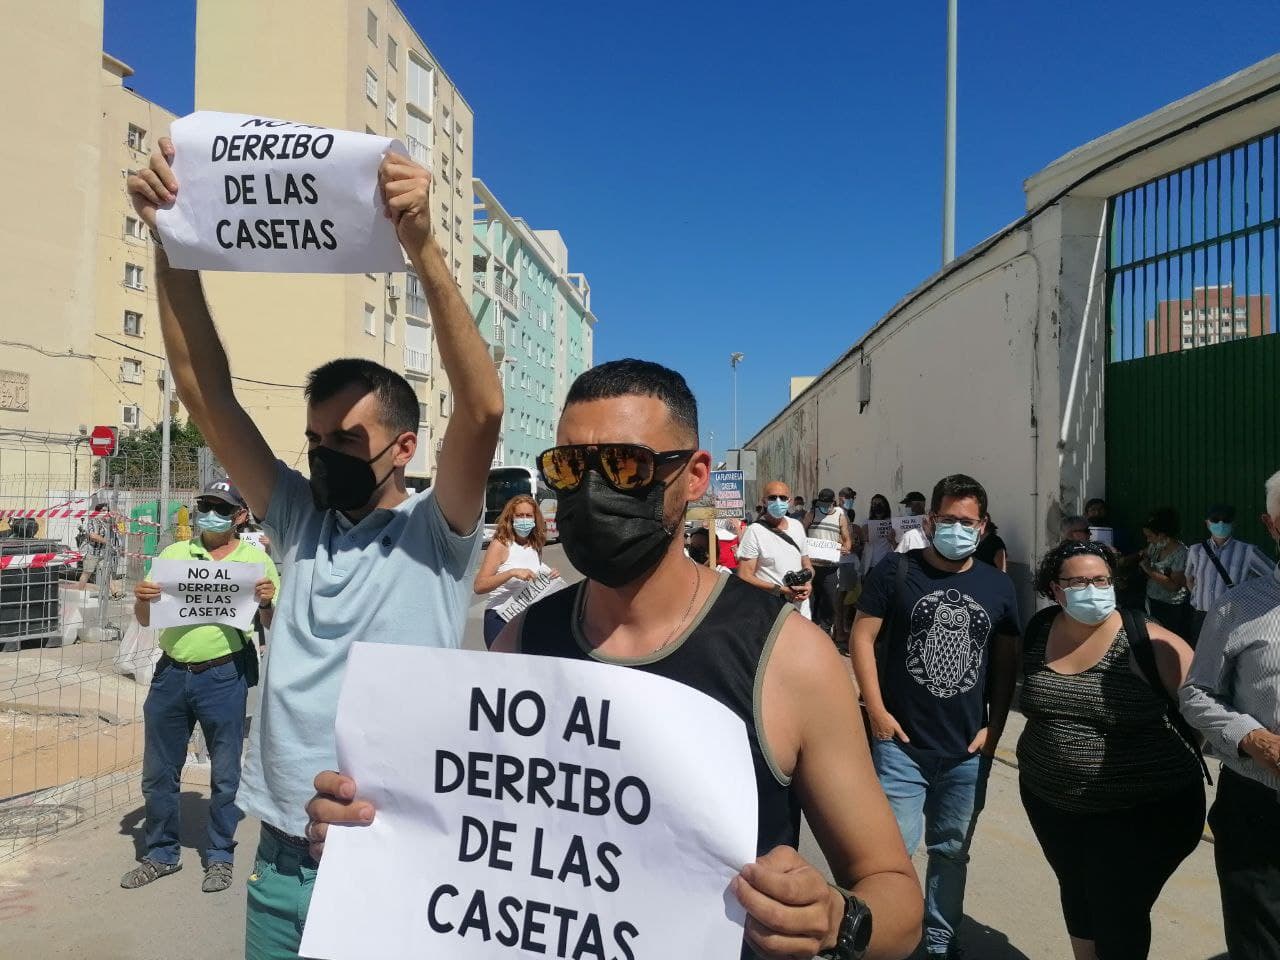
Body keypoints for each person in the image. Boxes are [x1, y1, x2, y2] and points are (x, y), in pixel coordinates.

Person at [306, 359, 925, 960]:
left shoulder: (788, 658)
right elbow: (480, 845)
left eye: (626, 465)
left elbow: (894, 894)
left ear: (695, 474)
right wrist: (370, 833)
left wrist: (835, 921)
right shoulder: (522, 642)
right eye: (569, 467)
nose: (592, 489)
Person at [128, 139, 502, 956]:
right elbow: (204, 389)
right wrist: (170, 239)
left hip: (393, 856)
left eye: (347, 436)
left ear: (403, 447)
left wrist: (423, 249)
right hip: (283, 865)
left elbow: (481, 409)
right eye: (314, 436)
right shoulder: (298, 520)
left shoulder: (437, 536)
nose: (324, 450)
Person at [850, 474, 1020, 959]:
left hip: (966, 751)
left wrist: (995, 727)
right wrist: (877, 712)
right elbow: (862, 638)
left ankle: (940, 939)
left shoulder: (999, 586)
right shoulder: (895, 572)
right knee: (889, 857)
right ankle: (886, 939)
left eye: (967, 522)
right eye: (947, 519)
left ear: (983, 527)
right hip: (901, 745)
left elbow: (1006, 664)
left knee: (951, 852)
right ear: (929, 521)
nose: (957, 528)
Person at [1018, 539, 1204, 959]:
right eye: (1079, 581)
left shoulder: (1151, 644)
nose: (1093, 589)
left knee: (1118, 910)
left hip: (1141, 812)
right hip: (1052, 804)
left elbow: (1203, 718)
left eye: (1101, 579)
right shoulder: (1040, 630)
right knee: (1077, 889)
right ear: (1055, 588)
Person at [122, 478, 280, 894]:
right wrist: (142, 598)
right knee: (159, 773)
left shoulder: (255, 561)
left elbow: (273, 625)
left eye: (223, 508)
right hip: (171, 674)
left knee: (225, 774)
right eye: (206, 505)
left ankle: (220, 857)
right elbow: (144, 618)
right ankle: (160, 853)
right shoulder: (174, 555)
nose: (211, 513)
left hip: (223, 676)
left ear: (241, 515)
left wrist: (266, 603)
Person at [1180, 469, 1280, 960]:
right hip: (1259, 805)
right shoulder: (1236, 607)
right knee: (1259, 942)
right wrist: (1254, 739)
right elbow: (1196, 694)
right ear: (1272, 524)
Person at [1185, 503, 1273, 645]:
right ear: (1207, 523)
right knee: (1200, 660)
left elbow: (1273, 577)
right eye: (1215, 520)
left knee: (1227, 662)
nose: (1221, 524)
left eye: (1226, 520)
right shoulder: (1195, 551)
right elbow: (1189, 579)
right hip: (1201, 617)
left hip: (1232, 618)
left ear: (1233, 524)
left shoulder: (1248, 552)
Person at [473, 494, 555, 649]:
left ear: (535, 518)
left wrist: (549, 576)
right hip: (500, 618)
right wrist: (511, 573)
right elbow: (479, 586)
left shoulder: (535, 545)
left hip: (525, 619)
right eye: (519, 515)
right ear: (511, 518)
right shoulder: (501, 545)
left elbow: (533, 572)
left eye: (528, 516)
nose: (524, 519)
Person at [737, 480, 814, 619]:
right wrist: (782, 590)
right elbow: (744, 575)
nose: (778, 501)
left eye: (783, 498)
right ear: (764, 501)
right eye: (772, 497)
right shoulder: (754, 531)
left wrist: (808, 583)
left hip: (801, 609)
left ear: (790, 501)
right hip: (769, 610)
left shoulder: (797, 526)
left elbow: (807, 564)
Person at [804, 488, 854, 636]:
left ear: (833, 502)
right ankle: (810, 630)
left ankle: (825, 632)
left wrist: (847, 547)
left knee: (830, 602)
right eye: (821, 503)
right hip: (811, 566)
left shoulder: (840, 515)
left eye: (827, 503)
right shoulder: (812, 513)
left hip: (830, 568)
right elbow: (801, 532)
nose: (824, 506)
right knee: (810, 600)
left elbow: (846, 538)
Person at [1140, 507, 1190, 636]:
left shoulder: (1180, 554)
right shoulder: (1156, 546)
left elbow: (1174, 586)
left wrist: (1149, 570)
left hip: (1170, 607)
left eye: (1150, 536)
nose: (1148, 540)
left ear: (1162, 535)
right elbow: (1144, 552)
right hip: (1152, 601)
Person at [79, 501, 123, 598]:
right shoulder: (93, 521)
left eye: (107, 510)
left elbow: (118, 522)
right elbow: (93, 536)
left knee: (107, 572)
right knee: (87, 573)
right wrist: (107, 541)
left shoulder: (106, 522)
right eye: (104, 510)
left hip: (103, 553)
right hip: (92, 552)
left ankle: (115, 592)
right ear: (98, 511)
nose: (106, 512)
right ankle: (79, 593)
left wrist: (117, 513)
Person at [861, 494, 895, 577]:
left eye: (879, 503)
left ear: (885, 505)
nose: (876, 506)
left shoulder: (892, 522)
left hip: (887, 562)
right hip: (871, 563)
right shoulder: (867, 521)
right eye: (874, 504)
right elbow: (864, 537)